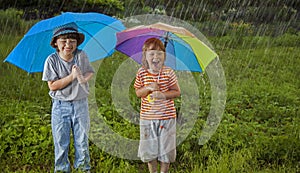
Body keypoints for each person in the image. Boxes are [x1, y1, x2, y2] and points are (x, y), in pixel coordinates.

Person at [42, 23, 94, 173]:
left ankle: (83, 169)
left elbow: (89, 72)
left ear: (77, 42)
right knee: (60, 141)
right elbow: (52, 86)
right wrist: (72, 76)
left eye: (72, 40)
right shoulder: (51, 60)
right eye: (63, 40)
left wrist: (83, 79)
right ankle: (61, 169)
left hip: (80, 104)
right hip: (60, 106)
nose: (68, 44)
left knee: (82, 141)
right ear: (56, 43)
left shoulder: (81, 55)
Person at [134, 38, 181, 173]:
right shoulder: (142, 73)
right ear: (145, 56)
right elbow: (138, 92)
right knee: (149, 149)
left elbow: (177, 91)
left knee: (166, 149)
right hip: (148, 118)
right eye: (152, 53)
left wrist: (163, 95)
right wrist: (148, 87)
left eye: (160, 53)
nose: (156, 57)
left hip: (167, 118)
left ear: (164, 56)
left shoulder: (168, 72)